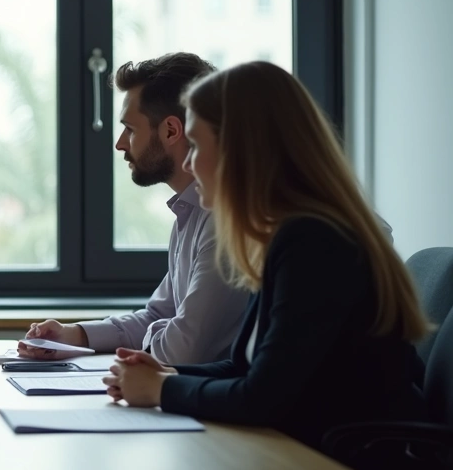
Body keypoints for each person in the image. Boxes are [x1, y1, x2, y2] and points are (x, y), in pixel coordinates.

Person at [103, 61, 428, 449]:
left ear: (239, 151)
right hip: (313, 452)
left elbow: (262, 398)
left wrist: (162, 390)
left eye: (197, 145)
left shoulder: (314, 241)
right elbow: (247, 367)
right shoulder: (286, 234)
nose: (188, 163)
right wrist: (168, 374)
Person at [22, 53, 249, 365]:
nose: (119, 143)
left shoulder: (221, 220)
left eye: (130, 128)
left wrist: (160, 331)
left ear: (171, 131)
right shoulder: (190, 212)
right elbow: (159, 314)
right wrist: (74, 334)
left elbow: (183, 350)